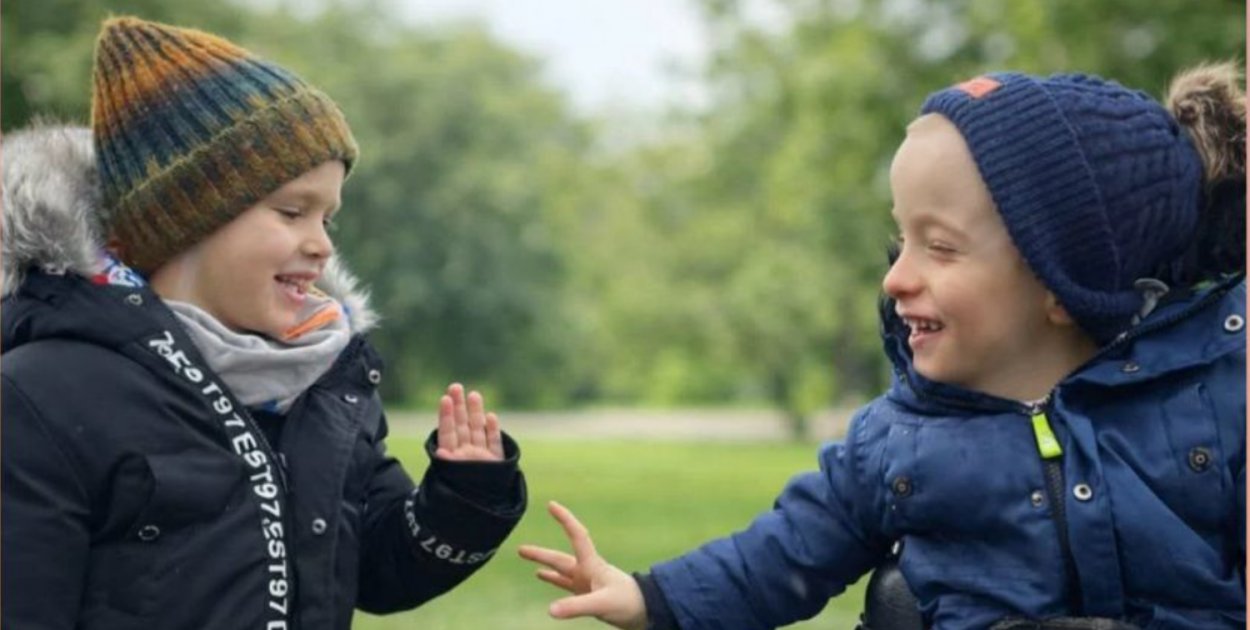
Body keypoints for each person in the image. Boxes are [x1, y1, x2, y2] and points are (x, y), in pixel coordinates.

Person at [519, 63, 1246, 629]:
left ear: (1065, 284)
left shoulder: (1217, 398)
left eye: (939, 247)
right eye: (900, 243)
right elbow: (781, 558)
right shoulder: (894, 443)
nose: (897, 278)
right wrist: (651, 597)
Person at [1, 16, 526, 630]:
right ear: (184, 219)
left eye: (327, 219)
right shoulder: (41, 394)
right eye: (292, 212)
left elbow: (377, 570)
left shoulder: (318, 383)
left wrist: (463, 497)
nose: (321, 245)